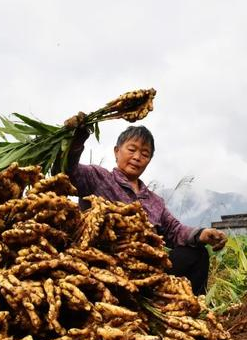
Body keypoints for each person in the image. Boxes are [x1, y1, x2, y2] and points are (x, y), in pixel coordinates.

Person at [60, 113, 227, 294]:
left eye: (144, 154)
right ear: (117, 151)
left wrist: (202, 234)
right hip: (106, 267)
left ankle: (193, 308)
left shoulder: (155, 201)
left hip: (148, 271)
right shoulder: (97, 177)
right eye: (132, 149)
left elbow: (175, 230)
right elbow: (68, 172)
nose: (137, 157)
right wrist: (76, 140)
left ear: (149, 160)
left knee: (197, 254)